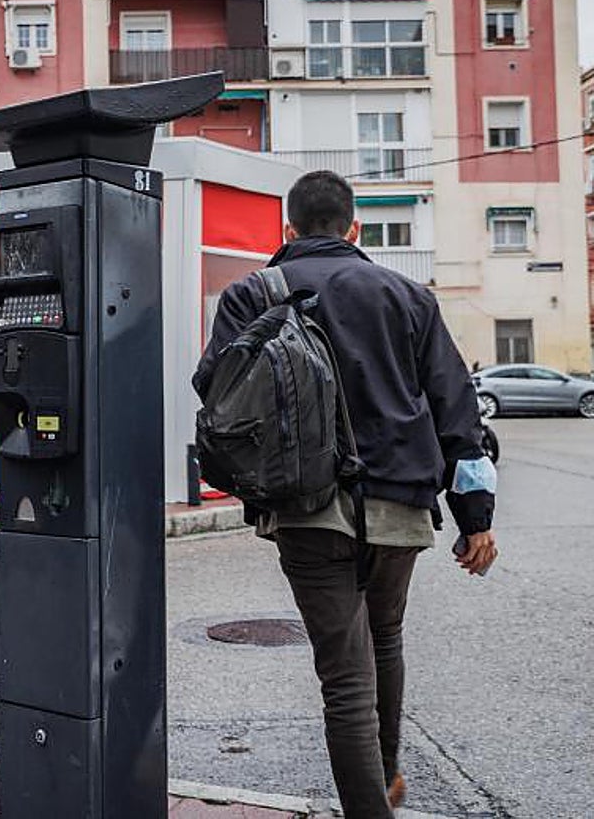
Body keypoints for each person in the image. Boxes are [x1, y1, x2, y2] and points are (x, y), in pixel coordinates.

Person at [194, 171, 497, 818]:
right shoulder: (407, 295)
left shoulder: (255, 294)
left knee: (344, 680)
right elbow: (456, 411)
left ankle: (372, 805)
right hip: (401, 506)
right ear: (354, 229)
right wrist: (476, 518)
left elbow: (214, 391)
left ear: (289, 231)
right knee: (384, 638)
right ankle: (384, 776)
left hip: (305, 506)